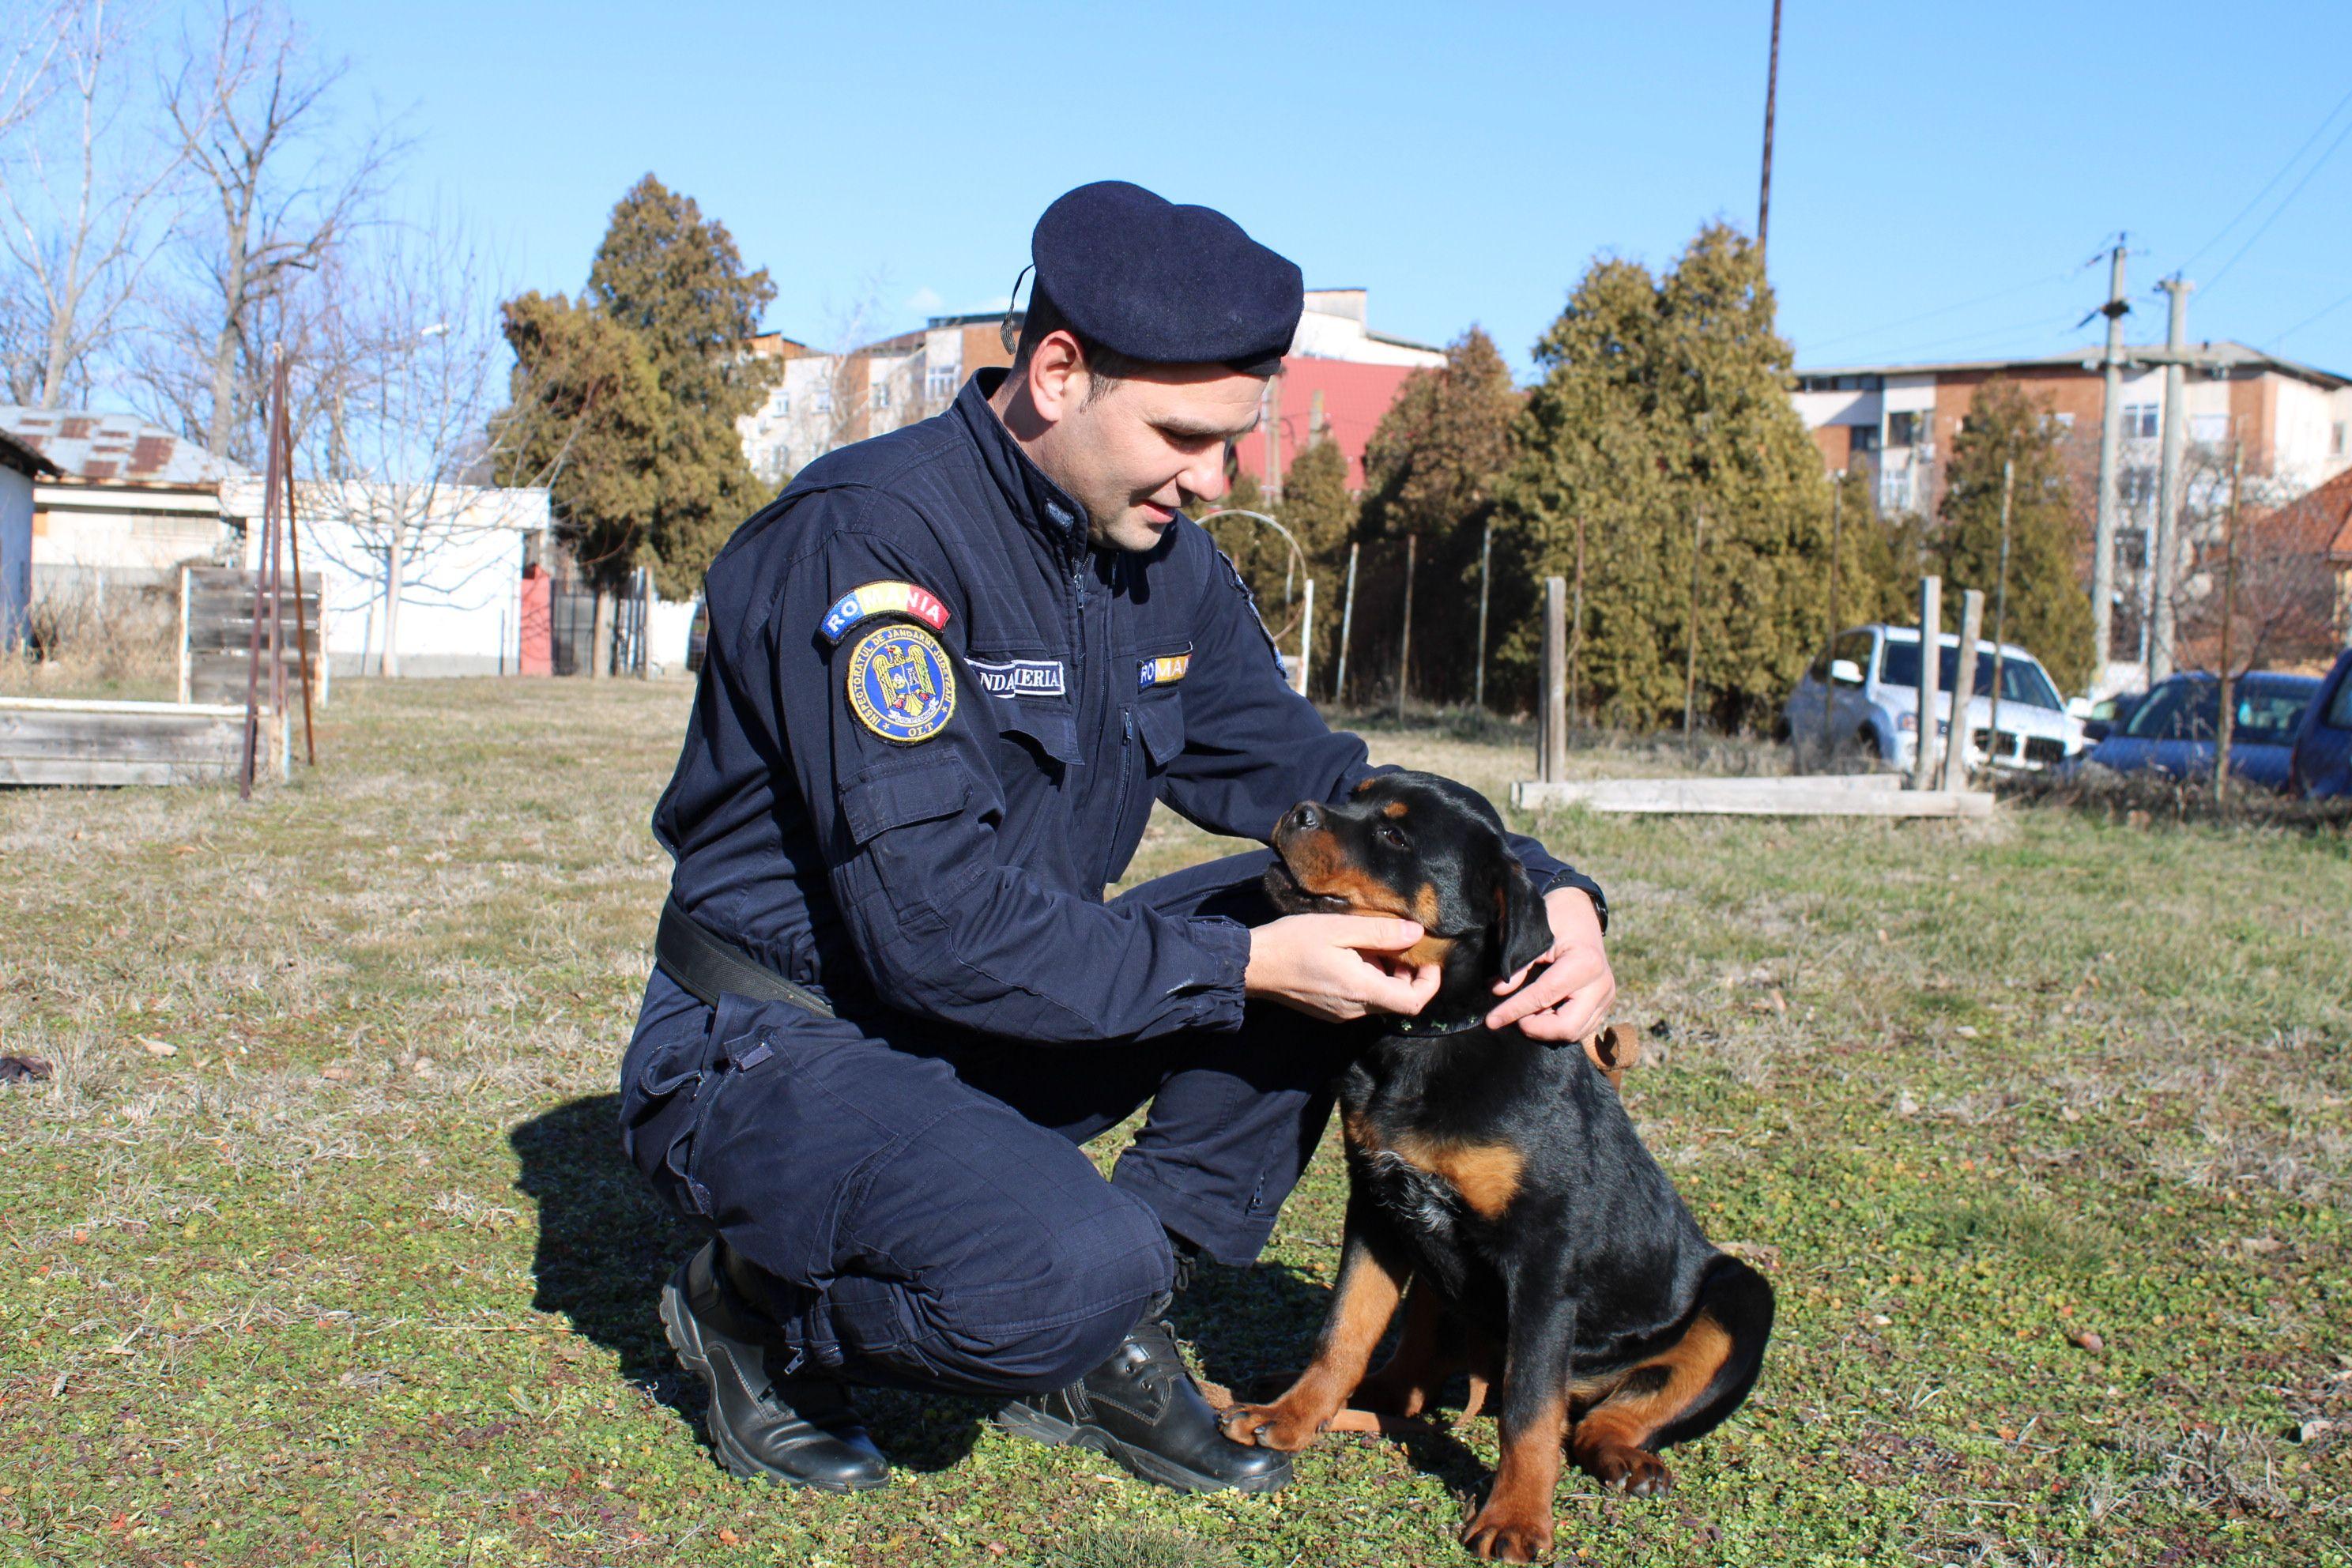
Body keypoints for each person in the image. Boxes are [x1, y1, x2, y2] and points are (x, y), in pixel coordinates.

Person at [619, 179, 1615, 1496]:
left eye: (1233, 441)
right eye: (1184, 436)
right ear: (1056, 372)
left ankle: (1112, 1313)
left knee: (1329, 917)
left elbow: (1323, 784)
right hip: (783, 1037)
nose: (1213, 480)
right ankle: (754, 1312)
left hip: (985, 1015)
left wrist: (1546, 893)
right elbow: (930, 924)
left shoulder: (1158, 559)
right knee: (1082, 1238)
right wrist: (1242, 968)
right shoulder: (871, 540)